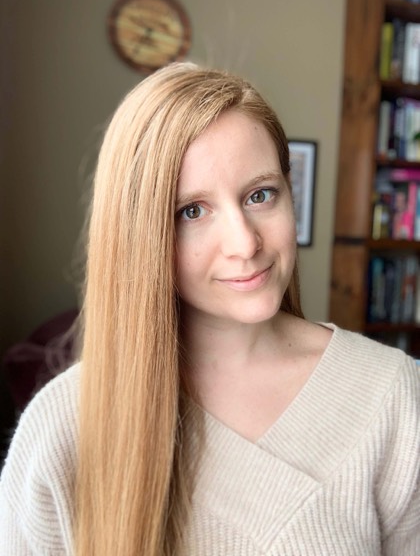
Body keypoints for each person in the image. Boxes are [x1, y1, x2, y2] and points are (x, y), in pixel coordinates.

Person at [0, 62, 419, 556]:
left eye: (260, 195)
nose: (244, 242)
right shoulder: (62, 427)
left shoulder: (394, 394)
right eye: (192, 211)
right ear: (140, 235)